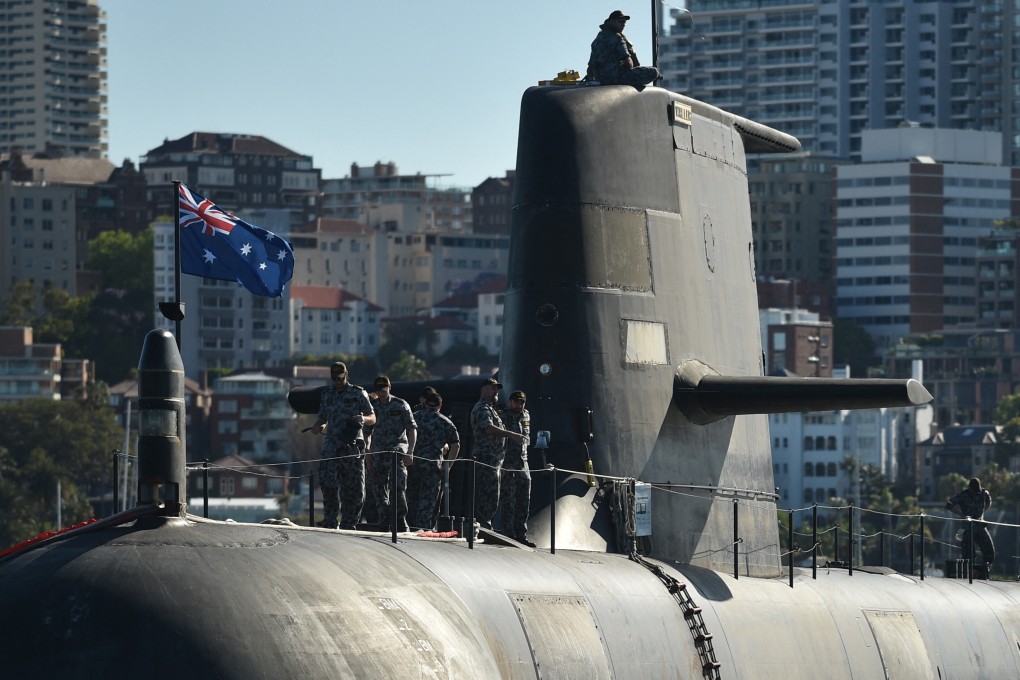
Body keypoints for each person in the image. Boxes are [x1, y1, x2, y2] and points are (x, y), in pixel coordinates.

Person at [308, 362, 376, 530]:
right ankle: (330, 521)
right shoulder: (327, 395)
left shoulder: (358, 393)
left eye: (340, 378)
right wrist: (319, 426)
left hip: (352, 445)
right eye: (334, 379)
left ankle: (349, 523)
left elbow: (372, 417)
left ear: (346, 375)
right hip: (332, 445)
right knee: (328, 484)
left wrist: (363, 419)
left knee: (354, 489)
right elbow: (322, 417)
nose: (337, 382)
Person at [471, 377, 527, 531]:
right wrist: (512, 434)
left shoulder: (490, 409)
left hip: (494, 460)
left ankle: (485, 526)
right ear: (484, 390)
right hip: (486, 458)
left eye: (497, 388)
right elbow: (488, 428)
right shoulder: (482, 409)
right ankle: (483, 527)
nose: (496, 391)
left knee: (492, 496)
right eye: (492, 388)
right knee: (487, 495)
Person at [367, 375, 417, 532]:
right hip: (378, 451)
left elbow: (412, 429)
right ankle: (384, 520)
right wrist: (367, 453)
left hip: (397, 451)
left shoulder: (401, 405)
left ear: (389, 388)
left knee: (398, 487)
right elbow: (367, 431)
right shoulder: (373, 407)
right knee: (379, 489)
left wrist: (410, 451)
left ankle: (400, 519)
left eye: (384, 390)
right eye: (379, 391)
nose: (382, 393)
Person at [406, 391, 461, 530]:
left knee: (411, 498)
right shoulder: (445, 422)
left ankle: (409, 526)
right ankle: (423, 529)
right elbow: (456, 444)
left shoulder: (415, 417)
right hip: (433, 467)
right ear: (440, 406)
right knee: (428, 501)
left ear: (425, 403)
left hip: (413, 465)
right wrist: (448, 466)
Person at [587, 10, 660, 87]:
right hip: (617, 78)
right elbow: (629, 63)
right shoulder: (617, 38)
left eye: (624, 23)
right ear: (612, 21)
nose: (623, 25)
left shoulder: (597, 40)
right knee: (654, 71)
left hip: (601, 79)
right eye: (621, 22)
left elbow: (590, 68)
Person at [499, 390, 533, 547]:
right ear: (510, 402)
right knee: (509, 501)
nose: (519, 405)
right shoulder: (503, 416)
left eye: (521, 402)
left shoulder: (526, 415)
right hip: (509, 463)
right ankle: (508, 533)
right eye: (516, 402)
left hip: (523, 464)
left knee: (523, 501)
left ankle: (521, 534)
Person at [946, 477, 995, 569]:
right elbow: (949, 504)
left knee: (989, 552)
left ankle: (984, 571)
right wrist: (961, 514)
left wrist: (983, 511)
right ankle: (968, 573)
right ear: (970, 488)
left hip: (980, 526)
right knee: (968, 555)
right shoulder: (964, 495)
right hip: (967, 527)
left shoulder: (984, 493)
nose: (976, 493)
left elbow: (989, 501)